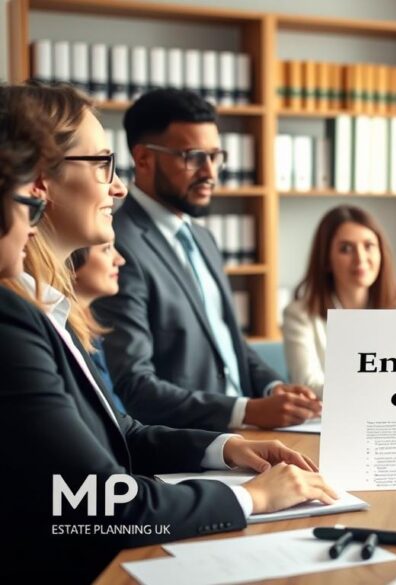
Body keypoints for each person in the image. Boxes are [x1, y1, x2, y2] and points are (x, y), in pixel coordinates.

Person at [0, 84, 337, 582]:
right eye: (103, 165)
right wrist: (251, 497)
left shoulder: (47, 307)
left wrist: (224, 447)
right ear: (40, 181)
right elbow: (97, 500)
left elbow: (121, 435)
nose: (118, 187)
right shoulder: (13, 317)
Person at [92, 89, 321, 431]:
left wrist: (274, 389)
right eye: (193, 156)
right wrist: (248, 411)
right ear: (143, 159)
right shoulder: (117, 245)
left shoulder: (203, 238)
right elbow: (135, 385)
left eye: (215, 156)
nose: (210, 172)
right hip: (190, 447)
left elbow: (229, 342)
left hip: (251, 437)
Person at [282, 204, 396, 397]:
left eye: (369, 246)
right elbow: (309, 385)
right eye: (346, 249)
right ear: (326, 259)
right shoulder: (299, 315)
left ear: (381, 253)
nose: (360, 259)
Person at [70, 240, 128, 412]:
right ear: (71, 260)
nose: (120, 259)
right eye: (106, 249)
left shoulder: (90, 330)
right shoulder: (63, 333)